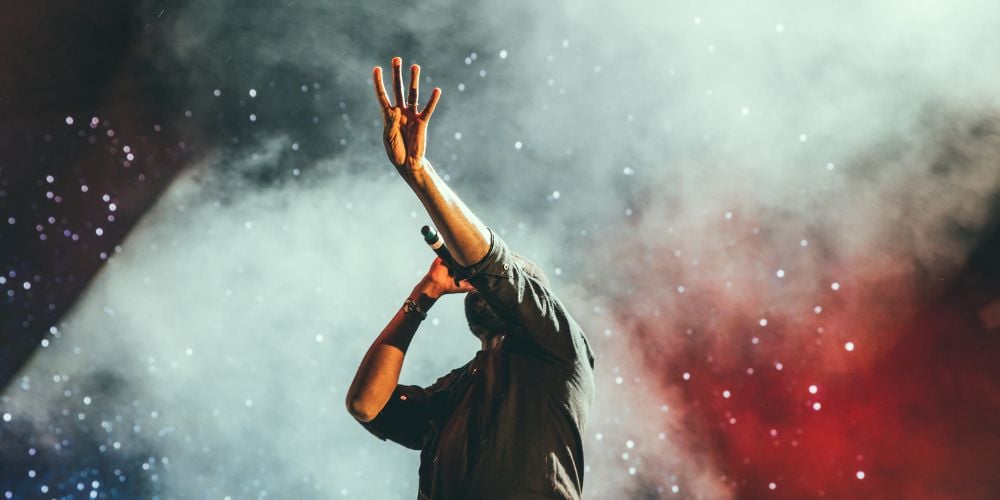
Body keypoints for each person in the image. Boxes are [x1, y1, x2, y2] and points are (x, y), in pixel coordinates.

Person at [346, 57, 596, 500]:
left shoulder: (559, 346)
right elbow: (367, 405)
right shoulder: (456, 388)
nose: (477, 284)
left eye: (495, 285)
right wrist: (422, 296)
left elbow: (494, 267)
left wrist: (420, 174)